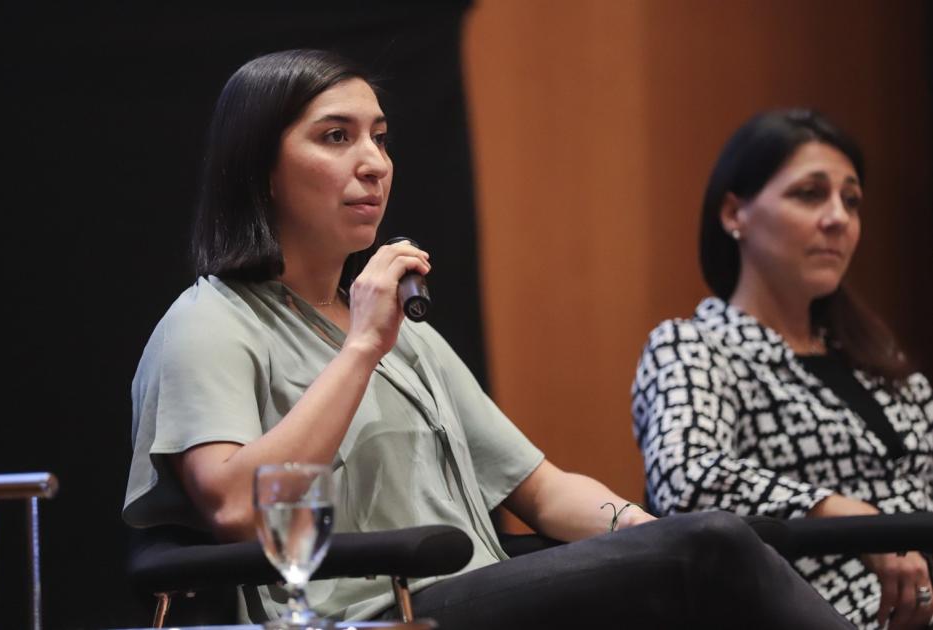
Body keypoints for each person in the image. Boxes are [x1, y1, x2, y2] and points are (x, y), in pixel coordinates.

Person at [123, 51, 853, 629]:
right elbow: (238, 513)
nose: (373, 162)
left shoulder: (397, 331)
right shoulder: (210, 323)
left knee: (705, 542)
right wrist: (360, 349)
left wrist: (654, 538)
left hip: (478, 592)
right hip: (368, 613)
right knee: (706, 549)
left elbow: (542, 489)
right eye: (335, 137)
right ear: (260, 169)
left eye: (379, 136)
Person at [631, 109, 933, 630]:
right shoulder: (694, 345)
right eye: (810, 193)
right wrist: (845, 515)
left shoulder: (879, 358)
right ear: (734, 214)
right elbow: (685, 479)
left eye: (851, 200)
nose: (838, 217)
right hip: (819, 612)